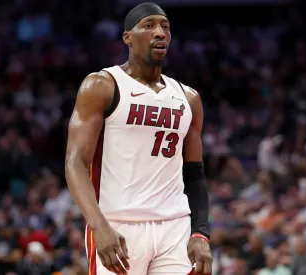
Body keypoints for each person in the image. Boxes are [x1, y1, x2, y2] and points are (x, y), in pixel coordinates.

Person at [65, 2, 212, 275]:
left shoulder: (188, 98)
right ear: (127, 38)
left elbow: (194, 173)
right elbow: (75, 163)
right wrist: (99, 226)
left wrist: (200, 233)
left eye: (165, 27)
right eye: (149, 25)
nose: (160, 33)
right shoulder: (102, 85)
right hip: (118, 224)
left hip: (174, 225)